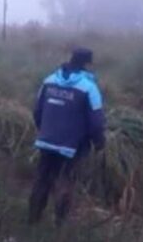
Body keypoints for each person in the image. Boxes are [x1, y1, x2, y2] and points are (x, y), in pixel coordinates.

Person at [28, 47, 106, 224]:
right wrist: (99, 142)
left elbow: (37, 111)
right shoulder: (89, 87)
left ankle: (32, 220)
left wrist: (45, 131)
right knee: (67, 181)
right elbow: (96, 122)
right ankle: (60, 225)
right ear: (86, 64)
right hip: (73, 146)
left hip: (46, 140)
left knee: (42, 180)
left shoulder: (48, 81)